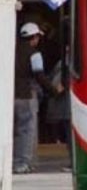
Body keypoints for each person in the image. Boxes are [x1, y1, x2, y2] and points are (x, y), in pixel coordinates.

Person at [13, 22, 59, 174]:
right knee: (26, 130)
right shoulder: (35, 54)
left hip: (10, 96)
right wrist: (54, 90)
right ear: (34, 37)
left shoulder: (11, 50)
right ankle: (22, 163)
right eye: (38, 37)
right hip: (26, 95)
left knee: (12, 130)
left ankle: (11, 161)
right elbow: (40, 76)